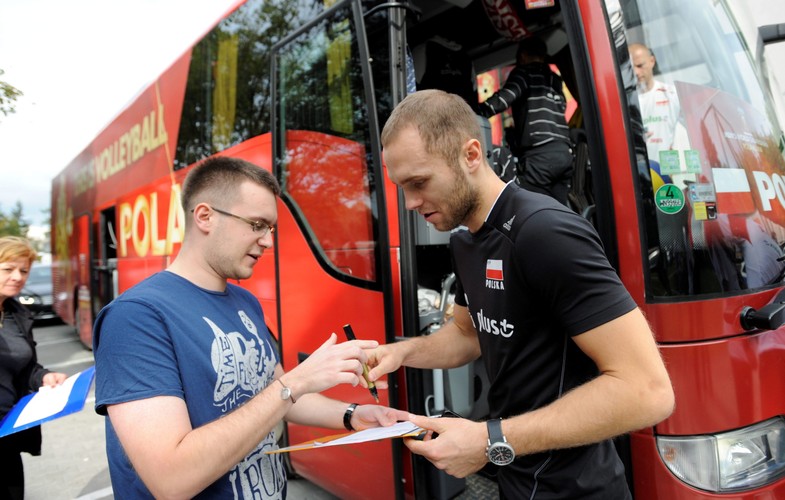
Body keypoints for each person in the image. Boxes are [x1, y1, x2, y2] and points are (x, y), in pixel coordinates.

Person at [371, 89, 675, 498]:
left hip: (577, 490)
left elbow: (647, 391)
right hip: (516, 477)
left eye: (419, 182)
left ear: (471, 155)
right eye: (401, 187)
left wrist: (488, 440)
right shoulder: (465, 241)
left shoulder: (545, 231)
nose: (409, 202)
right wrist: (400, 353)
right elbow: (468, 334)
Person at [93, 156, 410, 499]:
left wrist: (353, 415)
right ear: (205, 216)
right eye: (257, 224)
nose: (268, 241)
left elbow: (275, 394)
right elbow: (172, 479)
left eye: (271, 228)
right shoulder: (135, 317)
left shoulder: (246, 303)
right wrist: (297, 380)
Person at [0, 236, 67, 500]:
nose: (18, 277)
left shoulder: (16, 314)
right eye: (8, 269)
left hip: (8, 432)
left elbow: (24, 368)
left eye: (23, 270)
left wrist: (43, 377)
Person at [478, 37, 573, 206]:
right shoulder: (555, 79)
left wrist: (475, 113)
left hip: (539, 156)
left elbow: (505, 98)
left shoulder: (524, 72)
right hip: (564, 154)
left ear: (522, 55)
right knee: (559, 209)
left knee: (526, 204)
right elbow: (562, 106)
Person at [629, 42, 689, 165]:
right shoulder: (625, 101)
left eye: (640, 65)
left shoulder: (673, 95)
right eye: (631, 68)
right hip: (640, 170)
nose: (636, 72)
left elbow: (691, 133)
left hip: (670, 169)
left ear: (652, 61)